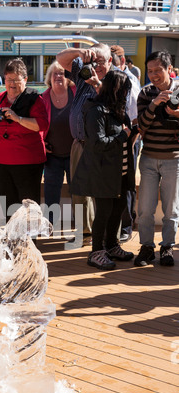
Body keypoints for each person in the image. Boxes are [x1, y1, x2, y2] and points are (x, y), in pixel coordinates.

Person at [71, 70, 135, 270]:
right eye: (124, 91)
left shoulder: (116, 109)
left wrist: (131, 132)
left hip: (120, 171)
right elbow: (97, 143)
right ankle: (96, 252)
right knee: (104, 212)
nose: (126, 95)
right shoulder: (96, 110)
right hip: (103, 172)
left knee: (118, 208)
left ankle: (112, 246)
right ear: (115, 90)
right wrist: (123, 136)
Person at [0, 57, 48, 221]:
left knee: (29, 207)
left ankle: (29, 243)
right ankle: (13, 242)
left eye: (16, 80)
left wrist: (18, 119)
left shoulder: (35, 100)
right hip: (1, 163)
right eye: (9, 80)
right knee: (9, 206)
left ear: (25, 79)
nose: (12, 84)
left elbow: (42, 125)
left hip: (28, 163)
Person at [56, 43, 112, 245]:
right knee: (79, 191)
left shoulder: (116, 80)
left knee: (101, 192)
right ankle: (85, 232)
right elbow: (60, 58)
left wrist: (97, 83)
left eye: (101, 62)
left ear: (110, 62)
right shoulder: (83, 74)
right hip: (79, 143)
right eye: (94, 61)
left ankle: (104, 235)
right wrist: (79, 53)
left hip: (102, 146)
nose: (96, 66)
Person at [134, 50, 179, 267]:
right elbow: (141, 127)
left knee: (171, 209)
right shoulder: (145, 93)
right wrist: (154, 104)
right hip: (149, 158)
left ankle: (167, 246)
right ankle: (147, 247)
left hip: (174, 160)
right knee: (145, 209)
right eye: (150, 71)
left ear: (169, 69)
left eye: (157, 70)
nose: (153, 75)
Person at [111, 45, 141, 243]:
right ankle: (118, 224)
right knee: (115, 182)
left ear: (122, 61)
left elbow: (136, 116)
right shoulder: (112, 81)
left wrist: (131, 141)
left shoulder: (130, 81)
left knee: (127, 182)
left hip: (130, 137)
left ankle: (127, 225)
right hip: (117, 137)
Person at [42, 60, 75, 225]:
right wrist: (42, 142)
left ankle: (82, 227)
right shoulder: (43, 98)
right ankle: (49, 224)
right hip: (52, 154)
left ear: (68, 77)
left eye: (61, 73)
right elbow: (38, 124)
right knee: (51, 191)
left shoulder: (76, 93)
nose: (58, 76)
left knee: (77, 192)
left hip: (74, 153)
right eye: (54, 73)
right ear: (49, 77)